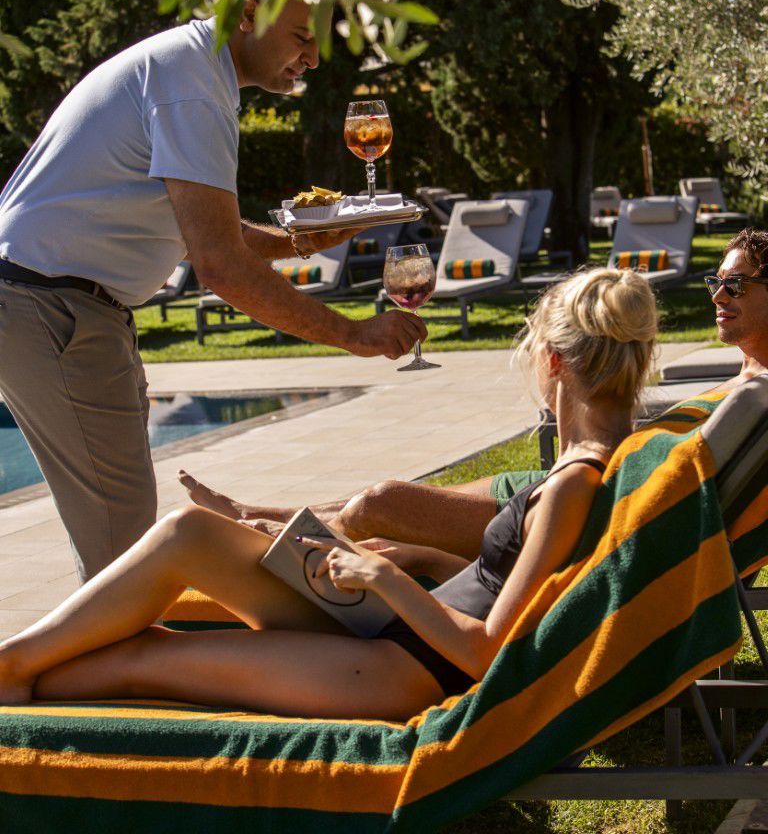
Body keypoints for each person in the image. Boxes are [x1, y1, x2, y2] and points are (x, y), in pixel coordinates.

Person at [0, 267, 657, 718]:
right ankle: (12, 667)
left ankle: (11, 675)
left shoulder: (575, 482)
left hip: (404, 668)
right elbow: (511, 584)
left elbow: (488, 650)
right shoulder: (596, 464)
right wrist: (419, 560)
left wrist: (382, 577)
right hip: (398, 633)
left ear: (554, 361)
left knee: (145, 655)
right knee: (187, 532)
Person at [0, 0, 425, 583]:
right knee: (123, 557)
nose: (312, 58)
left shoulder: (189, 69)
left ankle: (106, 640)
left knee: (117, 544)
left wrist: (300, 240)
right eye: (301, 37)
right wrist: (353, 334)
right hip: (54, 308)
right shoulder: (192, 88)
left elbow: (204, 225)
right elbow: (220, 264)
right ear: (248, 12)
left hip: (54, 303)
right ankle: (98, 646)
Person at [179, 226, 768, 561]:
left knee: (379, 506)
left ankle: (265, 542)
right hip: (600, 483)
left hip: (603, 502)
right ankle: (254, 515)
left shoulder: (757, 392)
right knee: (379, 499)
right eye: (716, 281)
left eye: (737, 284)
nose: (719, 294)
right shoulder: (746, 382)